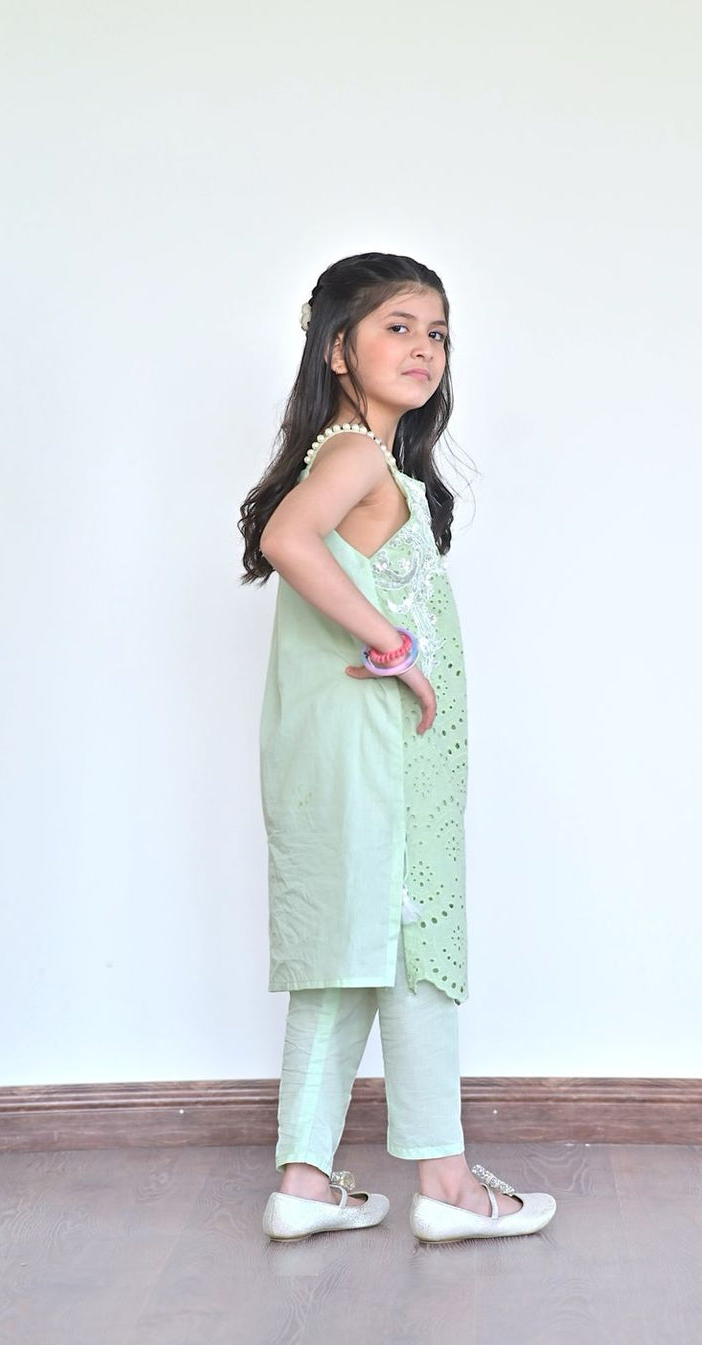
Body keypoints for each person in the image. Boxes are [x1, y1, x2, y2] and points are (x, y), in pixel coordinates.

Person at [238, 251, 556, 1243]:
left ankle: (303, 1179)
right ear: (338, 350)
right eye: (398, 327)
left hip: (333, 755)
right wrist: (397, 649)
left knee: (344, 956)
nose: (424, 348)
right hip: (381, 754)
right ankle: (448, 1184)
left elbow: (297, 543)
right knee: (417, 950)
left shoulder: (360, 458)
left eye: (438, 332)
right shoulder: (356, 457)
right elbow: (287, 540)